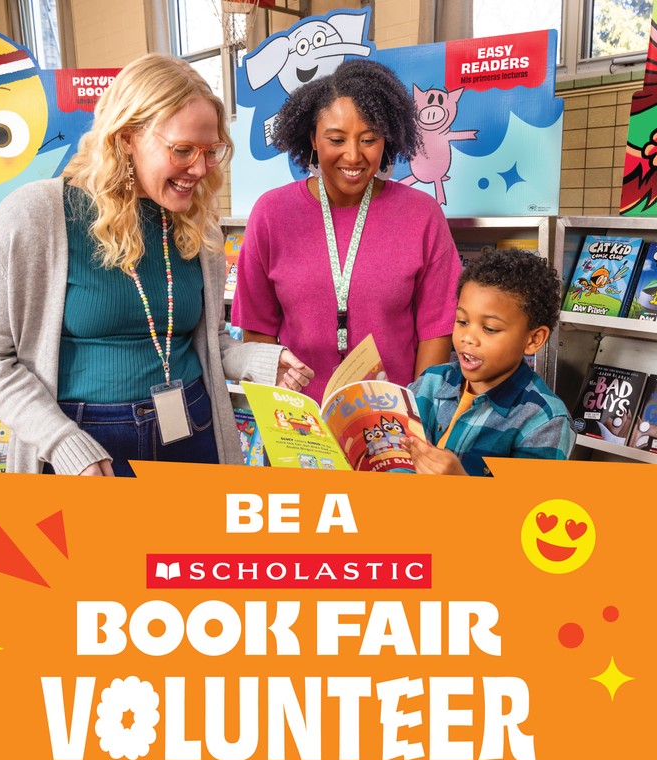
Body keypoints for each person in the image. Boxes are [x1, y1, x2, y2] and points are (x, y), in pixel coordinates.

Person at [0, 54, 312, 477]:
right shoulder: (36, 216)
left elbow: (206, 339)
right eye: (182, 150)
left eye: (211, 150)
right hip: (83, 449)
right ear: (126, 137)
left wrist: (256, 360)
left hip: (191, 431)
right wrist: (62, 442)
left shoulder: (198, 224)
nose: (199, 169)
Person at [231, 59, 461, 406]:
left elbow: (436, 329)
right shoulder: (271, 214)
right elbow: (258, 329)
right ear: (312, 137)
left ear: (389, 137)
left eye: (369, 139)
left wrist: (418, 413)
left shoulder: (421, 214)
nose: (353, 156)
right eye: (336, 139)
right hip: (298, 423)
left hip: (392, 426)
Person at [401, 249, 576, 476]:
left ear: (533, 339)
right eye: (462, 321)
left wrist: (460, 485)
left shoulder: (545, 420)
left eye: (490, 329)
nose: (467, 338)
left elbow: (531, 509)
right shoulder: (429, 382)